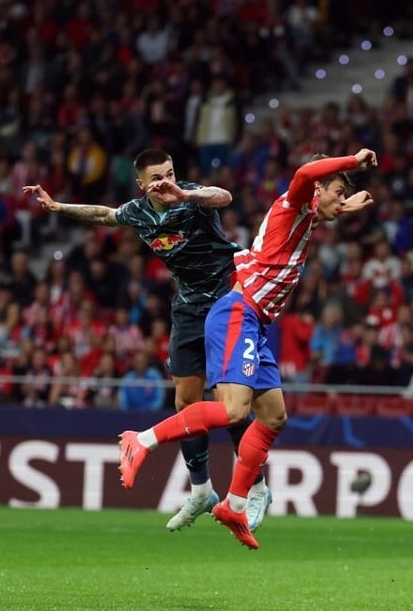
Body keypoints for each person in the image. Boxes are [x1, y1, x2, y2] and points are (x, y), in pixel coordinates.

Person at [118, 149, 377, 549]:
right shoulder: (294, 200)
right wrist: (351, 162)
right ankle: (143, 440)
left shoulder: (307, 213)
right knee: (234, 411)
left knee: (274, 416)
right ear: (319, 188)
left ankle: (235, 504)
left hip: (255, 322)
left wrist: (343, 206)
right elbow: (307, 171)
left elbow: (321, 207)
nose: (339, 199)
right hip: (237, 312)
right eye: (336, 191)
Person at [22, 148, 272, 532]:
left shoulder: (191, 200)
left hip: (228, 299)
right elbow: (105, 215)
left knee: (228, 404)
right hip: (188, 306)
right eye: (157, 178)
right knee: (186, 400)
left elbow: (223, 196)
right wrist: (57, 207)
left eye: (170, 173)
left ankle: (255, 487)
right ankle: (202, 490)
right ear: (142, 185)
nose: (165, 181)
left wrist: (186, 193)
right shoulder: (139, 212)